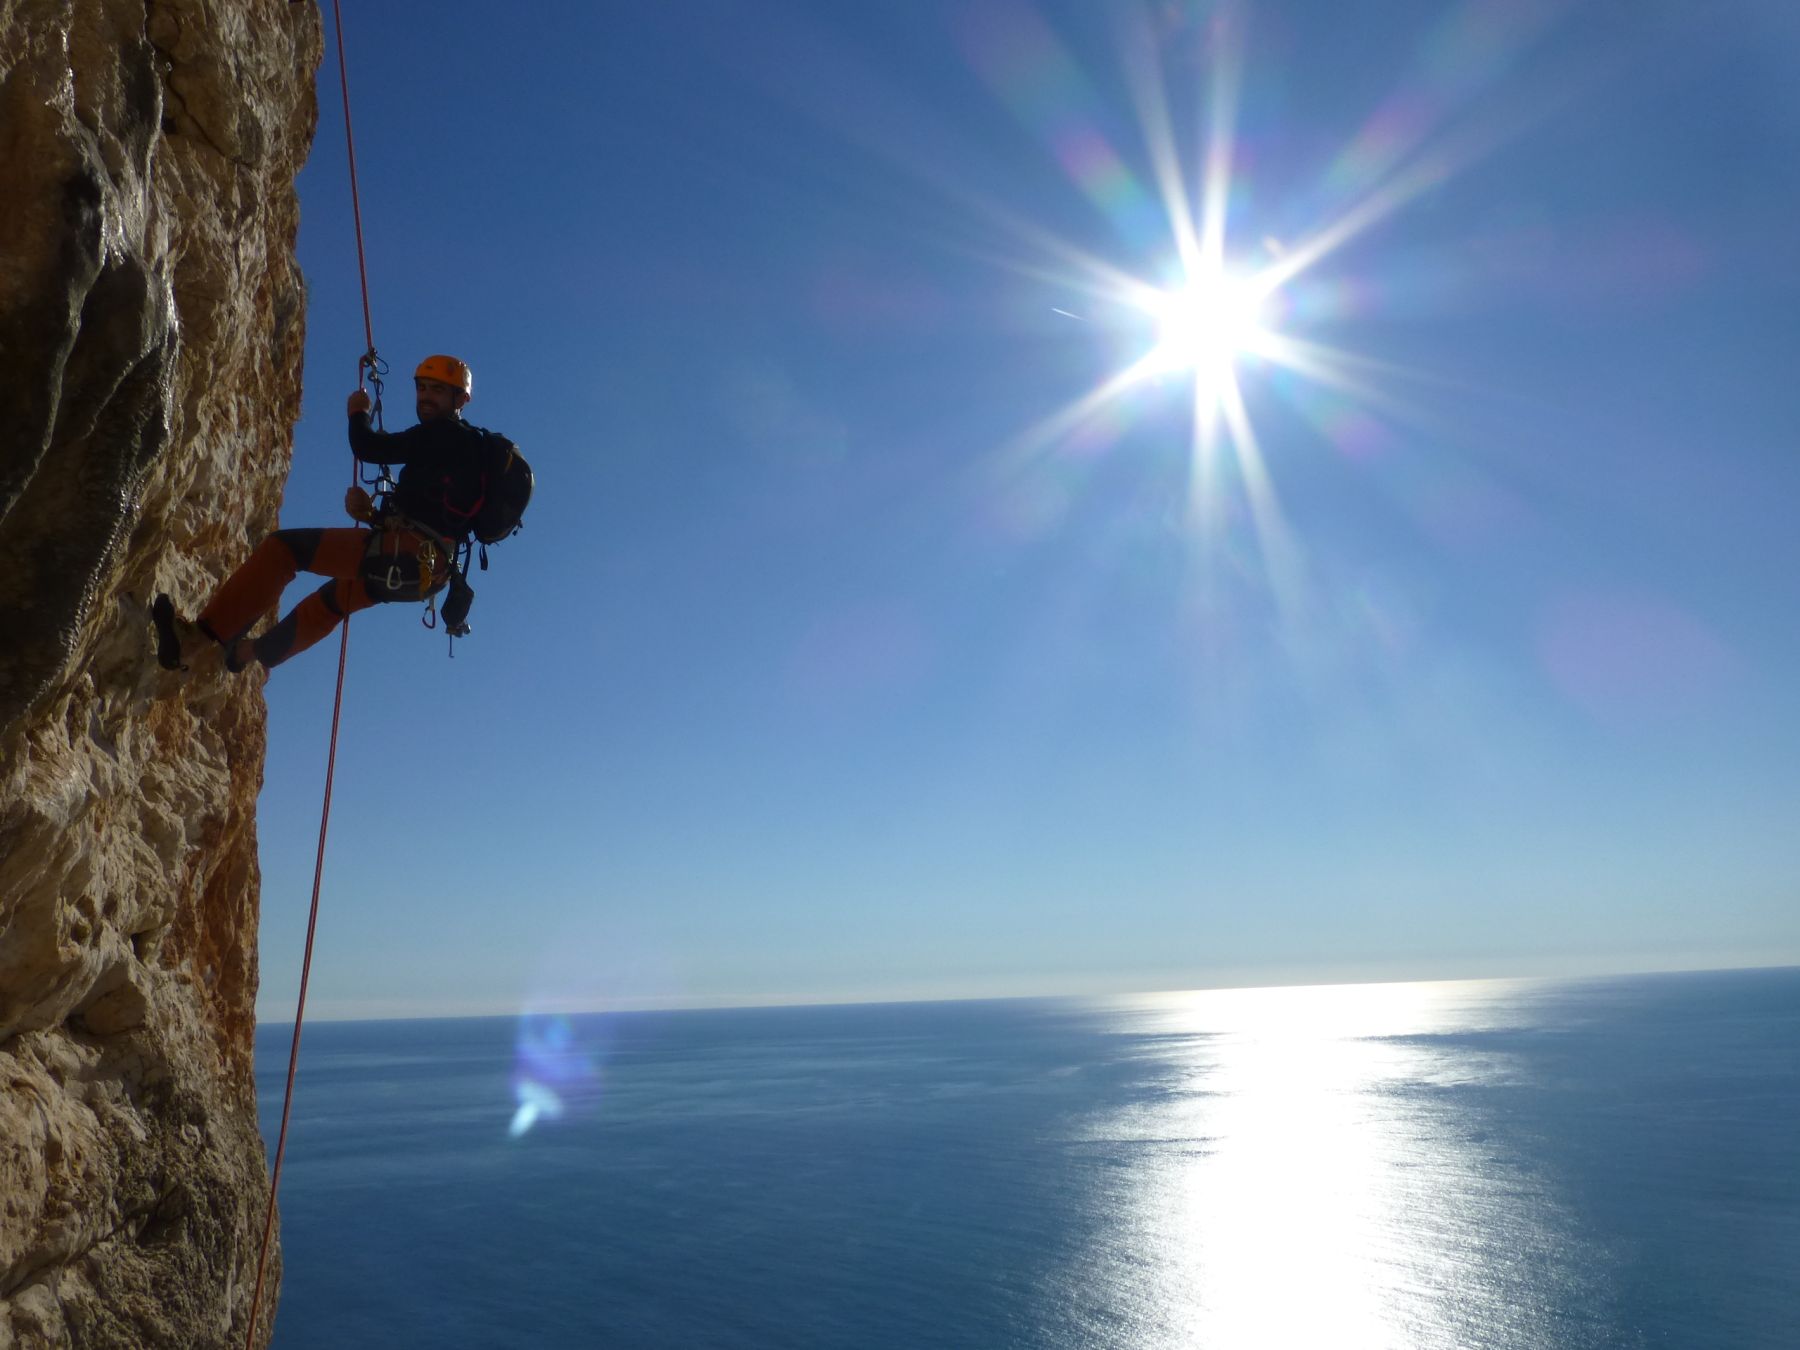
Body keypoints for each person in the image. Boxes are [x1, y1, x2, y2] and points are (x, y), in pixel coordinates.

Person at [154, 354, 503, 673]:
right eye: (422, 388)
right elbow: (433, 513)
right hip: (426, 575)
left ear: (461, 400)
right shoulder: (463, 453)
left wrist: (357, 413)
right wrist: (371, 515)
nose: (426, 397)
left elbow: (369, 447)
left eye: (437, 391)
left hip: (408, 554)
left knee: (285, 550)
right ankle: (244, 653)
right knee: (330, 605)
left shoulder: (445, 434)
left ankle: (197, 641)